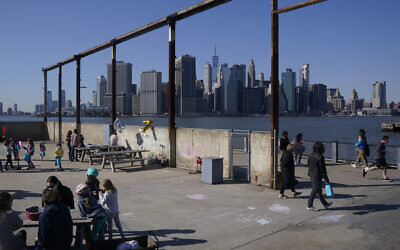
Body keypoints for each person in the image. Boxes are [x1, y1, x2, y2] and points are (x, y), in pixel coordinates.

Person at [307, 141, 332, 211]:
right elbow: (323, 169)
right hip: (317, 175)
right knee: (315, 189)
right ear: (320, 149)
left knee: (319, 190)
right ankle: (309, 205)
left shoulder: (311, 155)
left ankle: (325, 204)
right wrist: (326, 178)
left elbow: (308, 164)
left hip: (311, 174)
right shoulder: (320, 157)